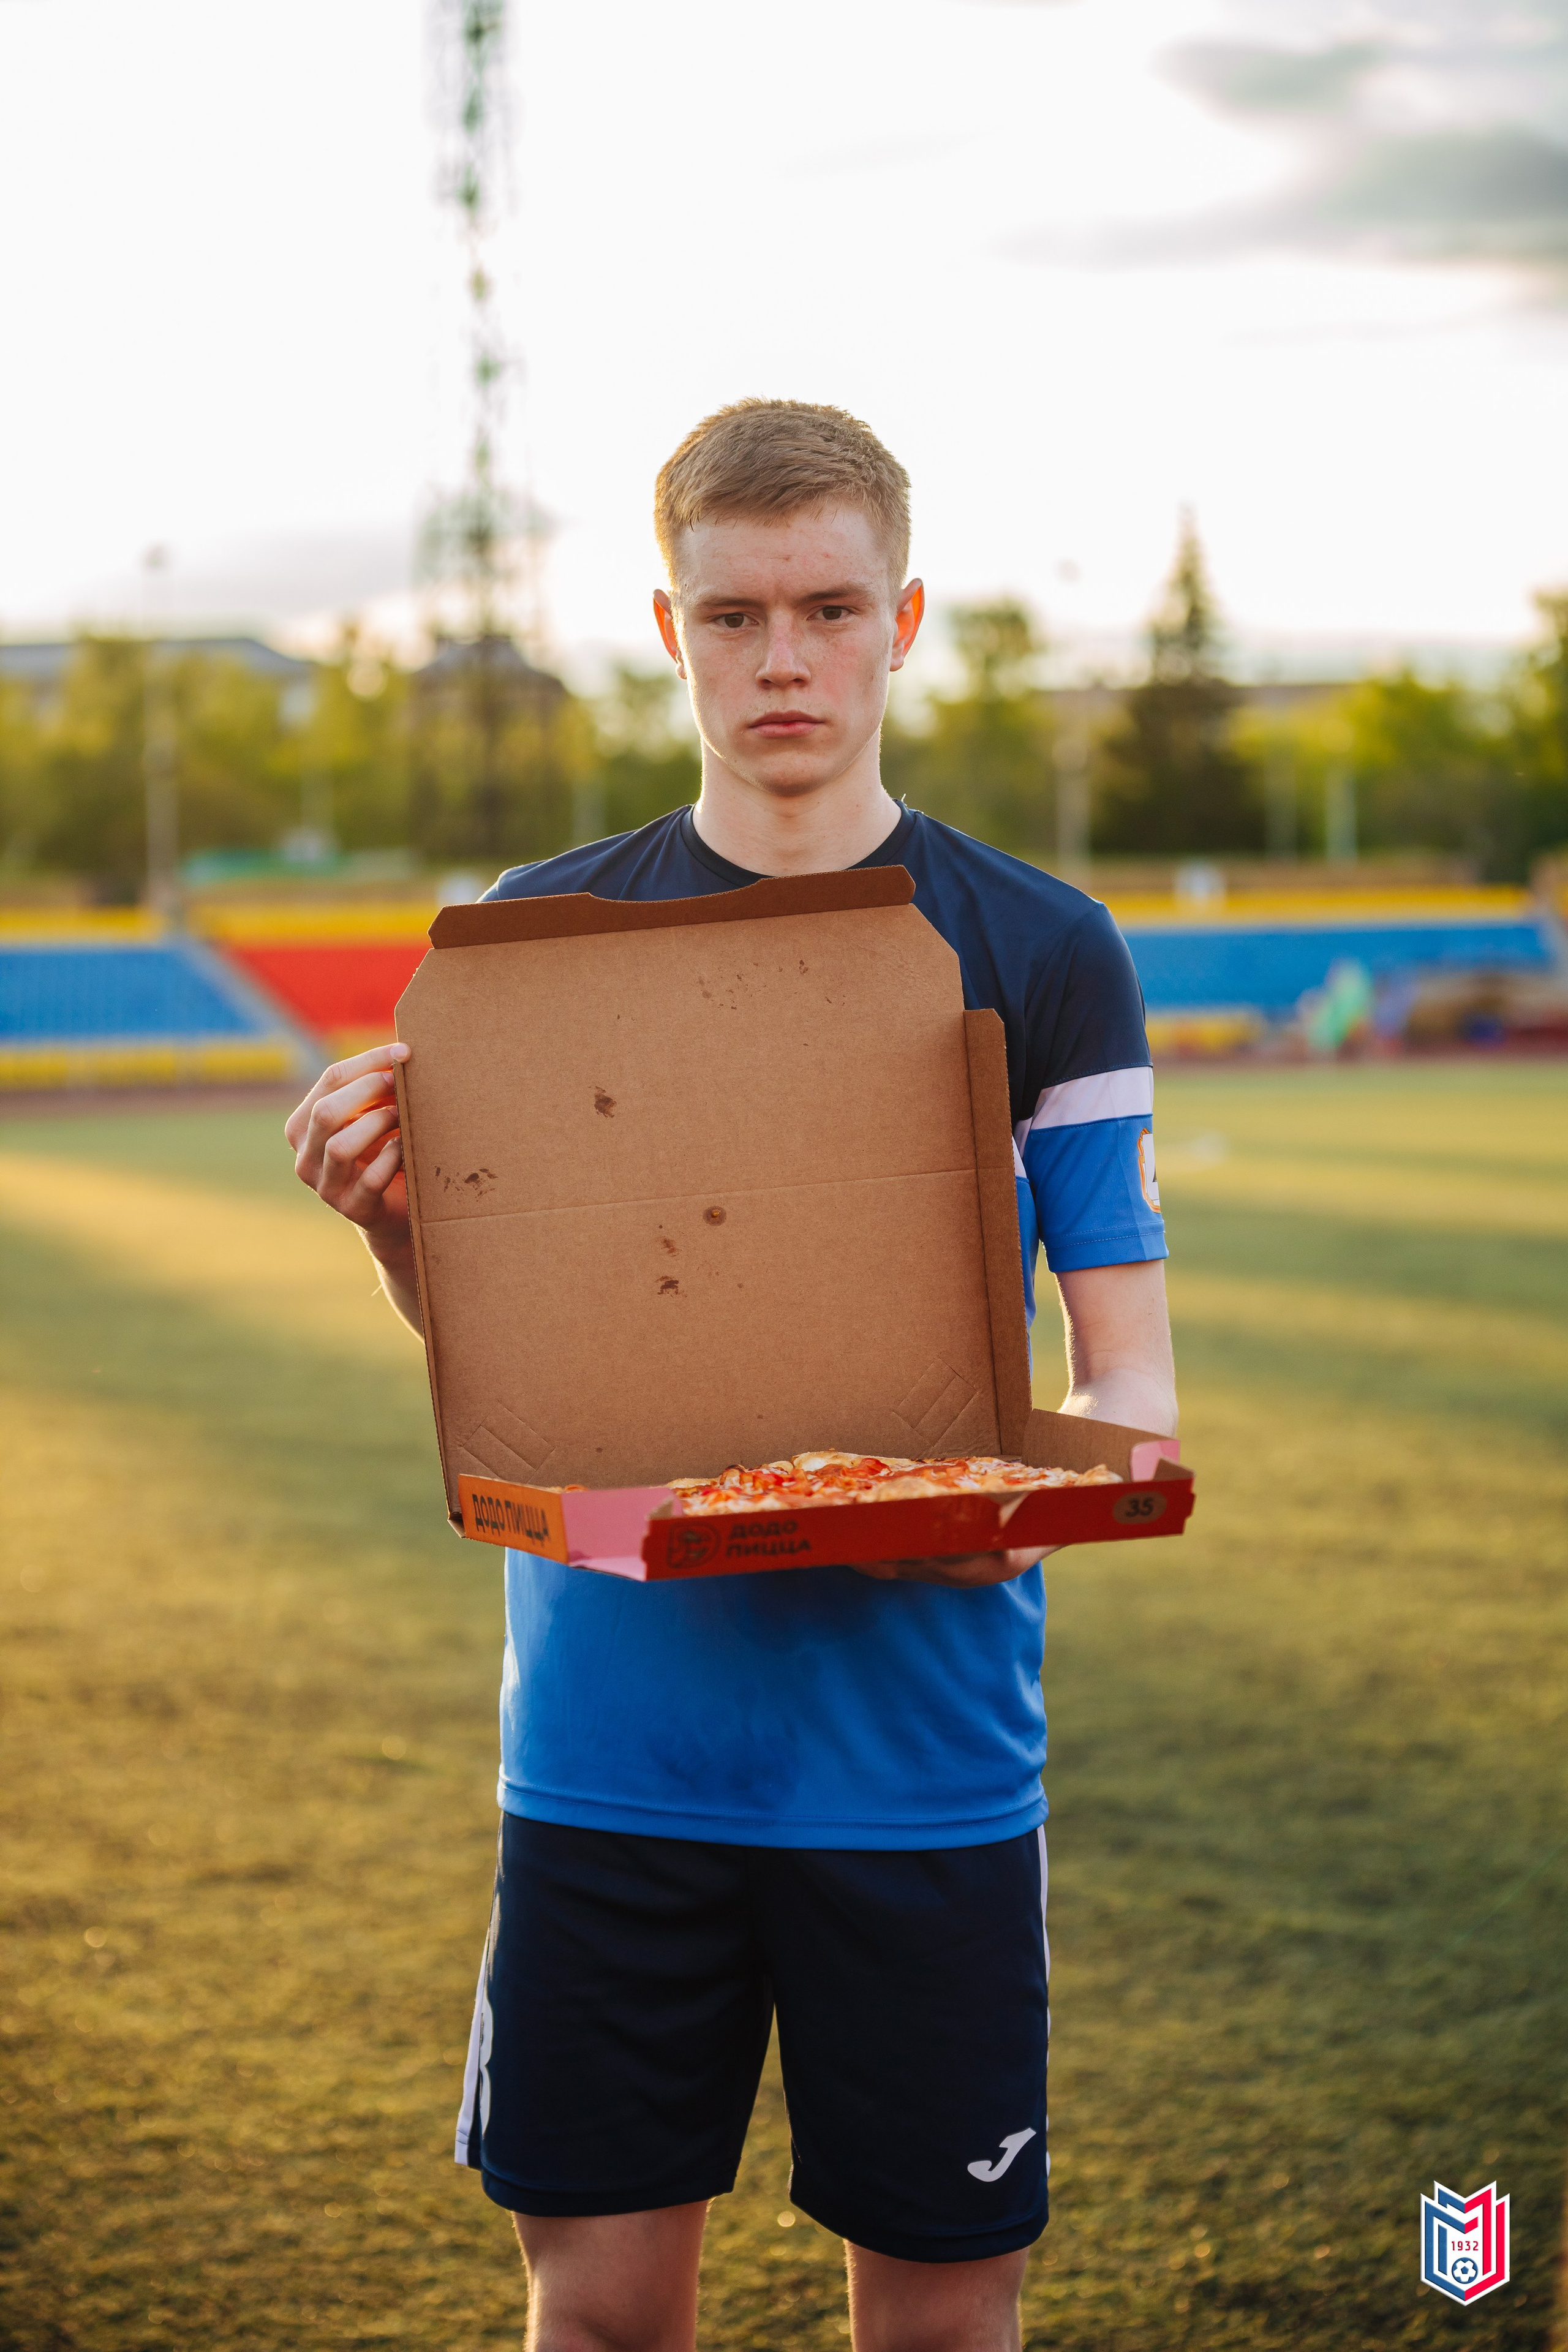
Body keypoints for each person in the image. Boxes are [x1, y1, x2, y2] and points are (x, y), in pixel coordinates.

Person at [285, 399, 1177, 2352]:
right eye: (738, 612)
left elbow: (1128, 1389)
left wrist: (1008, 1516)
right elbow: (528, 1390)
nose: (786, 658)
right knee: (601, 2316)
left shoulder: (1042, 949)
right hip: (611, 1763)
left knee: (939, 2329)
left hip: (925, 1771)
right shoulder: (535, 942)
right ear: (670, 629)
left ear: (905, 619)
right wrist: (389, 1228)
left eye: (831, 608)